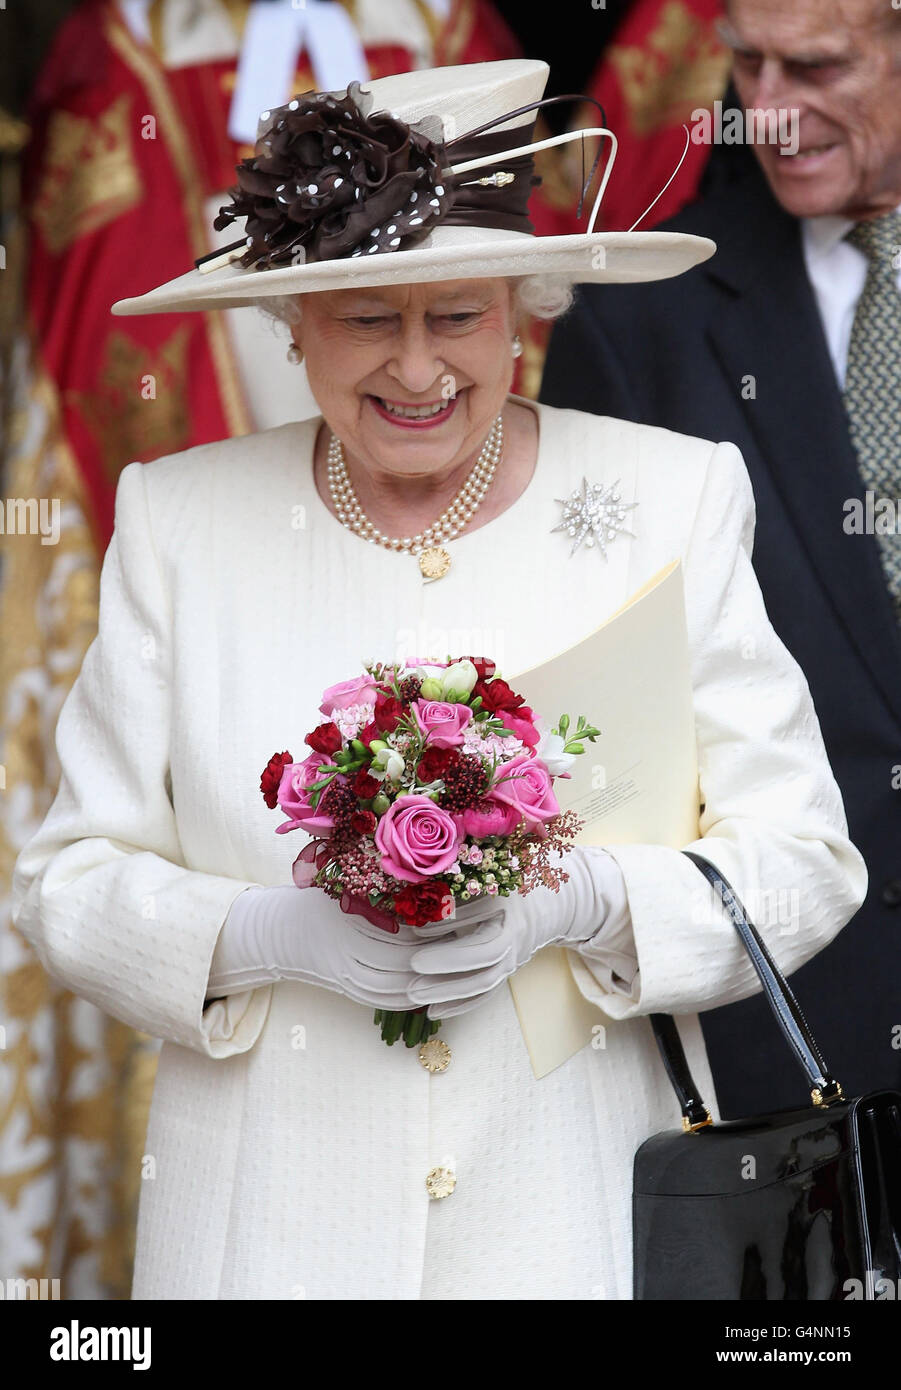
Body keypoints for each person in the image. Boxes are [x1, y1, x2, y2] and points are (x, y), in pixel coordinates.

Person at [11, 58, 867, 1301]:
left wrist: (584, 904)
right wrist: (264, 935)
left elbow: (804, 860)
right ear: (289, 322)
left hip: (565, 1228)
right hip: (264, 1237)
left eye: (458, 315)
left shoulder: (663, 500)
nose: (418, 372)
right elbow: (65, 881)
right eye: (368, 320)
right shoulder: (179, 522)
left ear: (525, 308)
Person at [540, 0, 901, 1120]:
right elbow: (589, 722)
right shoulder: (635, 319)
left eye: (819, 66)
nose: (771, 113)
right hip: (787, 1053)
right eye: (747, 65)